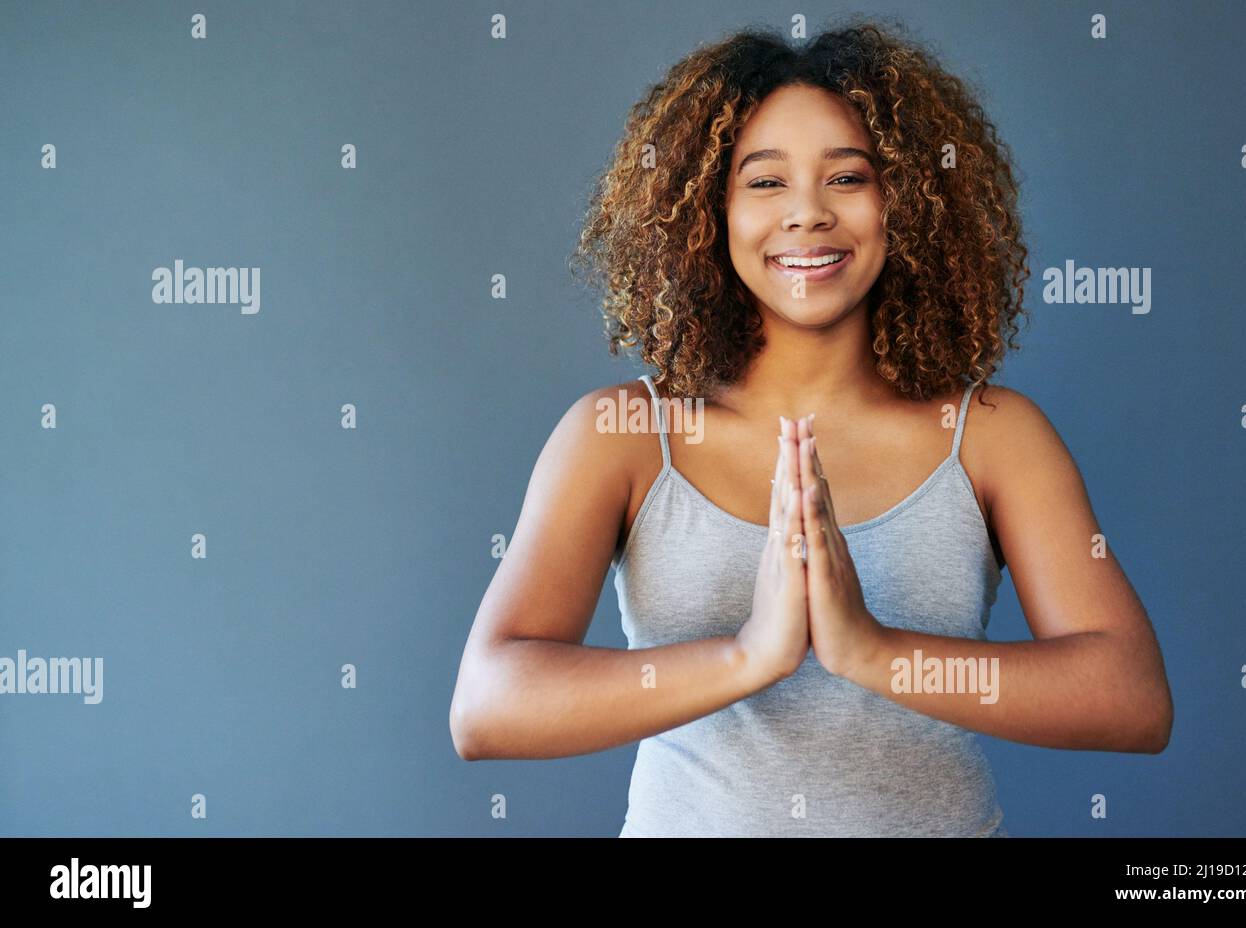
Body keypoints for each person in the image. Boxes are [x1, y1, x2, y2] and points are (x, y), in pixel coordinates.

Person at [449, 19, 1174, 837]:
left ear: (904, 202)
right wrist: (747, 656)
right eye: (764, 182)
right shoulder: (620, 435)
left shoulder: (993, 435)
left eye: (848, 178)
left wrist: (871, 650)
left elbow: (1132, 699)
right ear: (706, 209)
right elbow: (487, 705)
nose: (807, 215)